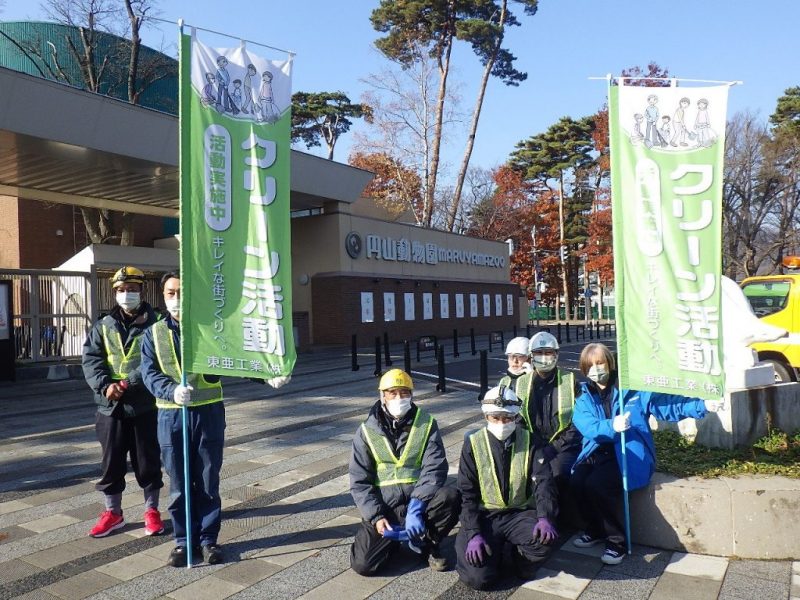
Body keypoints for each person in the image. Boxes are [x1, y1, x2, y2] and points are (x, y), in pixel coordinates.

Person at [570, 343, 725, 565]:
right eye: (590, 365)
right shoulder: (584, 396)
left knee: (597, 485)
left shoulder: (633, 389)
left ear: (610, 363)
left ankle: (616, 542)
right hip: (597, 451)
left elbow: (669, 406)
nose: (596, 369)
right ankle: (593, 529)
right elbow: (588, 426)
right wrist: (611, 425)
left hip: (627, 454)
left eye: (600, 362)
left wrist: (703, 405)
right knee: (576, 481)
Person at [140, 271, 225, 567]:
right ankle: (183, 542)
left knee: (207, 480)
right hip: (171, 415)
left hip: (208, 413)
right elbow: (149, 373)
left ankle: (208, 540)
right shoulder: (152, 334)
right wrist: (171, 390)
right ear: (162, 297)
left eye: (181, 292)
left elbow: (234, 360)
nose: (176, 298)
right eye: (170, 293)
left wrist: (268, 376)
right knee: (178, 482)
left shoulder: (211, 328)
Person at [349, 368, 461, 576]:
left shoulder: (426, 424)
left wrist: (417, 507)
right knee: (363, 565)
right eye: (392, 393)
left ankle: (428, 544)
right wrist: (376, 516)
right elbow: (359, 481)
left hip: (419, 502)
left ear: (411, 394)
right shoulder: (366, 431)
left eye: (404, 392)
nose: (399, 398)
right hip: (386, 508)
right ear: (382, 395)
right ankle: (390, 543)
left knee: (450, 496)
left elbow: (435, 467)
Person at [82, 266, 164, 538]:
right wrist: (105, 385)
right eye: (120, 290)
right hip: (110, 406)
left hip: (144, 404)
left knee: (147, 461)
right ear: (114, 293)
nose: (126, 294)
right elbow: (92, 360)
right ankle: (113, 513)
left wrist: (128, 382)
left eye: (131, 289)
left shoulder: (158, 323)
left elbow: (159, 360)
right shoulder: (103, 325)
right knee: (111, 462)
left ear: (142, 291)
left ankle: (151, 510)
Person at [456, 385, 558, 590]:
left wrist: (544, 517)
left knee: (544, 541)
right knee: (478, 579)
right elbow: (467, 494)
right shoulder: (473, 444)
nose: (502, 423)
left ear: (515, 417)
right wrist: (473, 532)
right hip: (486, 516)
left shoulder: (531, 441)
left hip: (518, 514)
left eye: (508, 418)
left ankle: (519, 557)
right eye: (495, 417)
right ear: (486, 416)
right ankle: (493, 552)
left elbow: (544, 482)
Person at [514, 332, 581, 523]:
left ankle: (556, 520)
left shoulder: (569, 380)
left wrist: (553, 448)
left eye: (548, 352)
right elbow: (518, 419)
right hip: (532, 445)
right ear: (531, 356)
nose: (544, 357)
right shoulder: (521, 383)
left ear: (556, 354)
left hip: (563, 446)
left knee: (556, 471)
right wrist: (534, 448)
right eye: (539, 352)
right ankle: (530, 516)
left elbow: (577, 422)